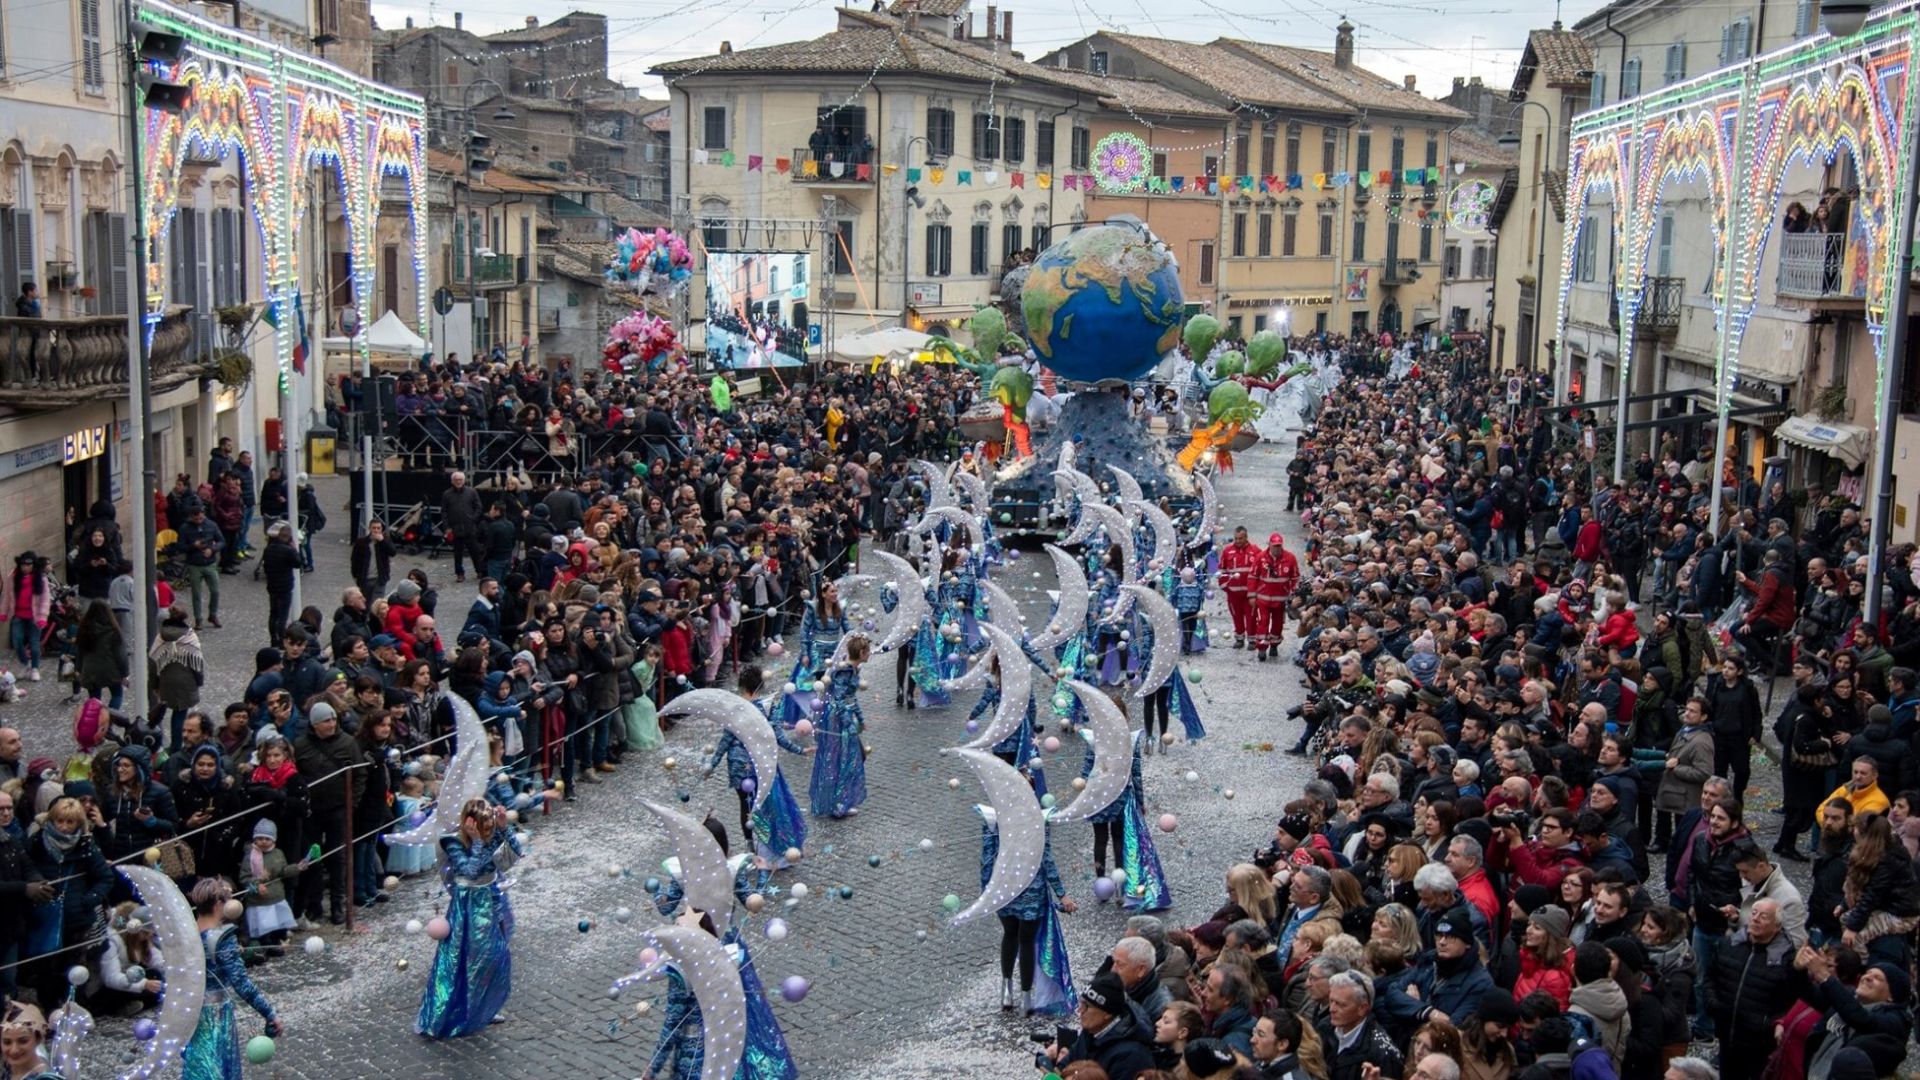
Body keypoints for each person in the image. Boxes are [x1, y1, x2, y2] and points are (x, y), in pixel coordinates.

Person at [415, 799, 525, 1037]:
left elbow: (514, 853)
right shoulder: (452, 842)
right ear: (470, 822)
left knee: (496, 953)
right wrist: (476, 842)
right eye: (484, 823)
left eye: (490, 822)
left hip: (491, 898)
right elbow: (469, 871)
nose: (489, 828)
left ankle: (485, 1005)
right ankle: (464, 1009)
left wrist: (505, 828)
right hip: (469, 907)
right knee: (469, 956)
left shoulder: (491, 834)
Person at [977, 801, 1075, 1015]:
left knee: (1009, 934)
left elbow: (986, 857)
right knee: (1026, 941)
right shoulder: (1039, 819)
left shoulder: (993, 819)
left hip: (1004, 887)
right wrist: (1061, 893)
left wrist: (986, 891)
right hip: (1032, 887)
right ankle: (1027, 998)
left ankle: (1006, 992)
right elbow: (1046, 859)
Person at [182, 877, 280, 1080]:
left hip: (191, 1013)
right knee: (217, 1067)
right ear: (219, 904)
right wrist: (269, 1013)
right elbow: (241, 983)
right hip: (215, 1015)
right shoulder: (222, 938)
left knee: (198, 1065)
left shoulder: (185, 935)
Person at [1041, 972, 1158, 1080]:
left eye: (1087, 1006)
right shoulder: (1092, 1030)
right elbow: (1067, 1063)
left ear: (1107, 1013)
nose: (1080, 1010)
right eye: (1081, 1003)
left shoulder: (1132, 1057)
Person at [808, 634, 869, 819]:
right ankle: (838, 803)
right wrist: (849, 724)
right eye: (868, 651)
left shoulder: (853, 669)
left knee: (852, 757)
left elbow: (851, 697)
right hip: (837, 721)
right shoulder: (845, 671)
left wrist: (860, 717)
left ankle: (842, 799)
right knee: (841, 759)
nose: (870, 654)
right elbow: (841, 700)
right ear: (861, 652)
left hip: (844, 718)